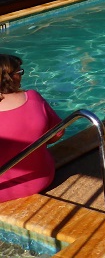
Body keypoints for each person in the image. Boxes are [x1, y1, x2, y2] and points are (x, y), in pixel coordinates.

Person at [0, 54, 63, 203]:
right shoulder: (33, 98)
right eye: (20, 72)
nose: (21, 76)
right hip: (40, 178)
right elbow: (58, 134)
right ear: (12, 77)